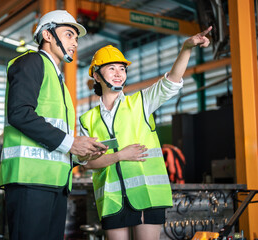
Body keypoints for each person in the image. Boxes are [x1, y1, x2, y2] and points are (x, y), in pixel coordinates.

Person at [79, 27, 212, 240]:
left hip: (148, 196)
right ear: (96, 75)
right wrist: (119, 156)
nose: (118, 73)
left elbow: (170, 82)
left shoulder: (141, 102)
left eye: (122, 69)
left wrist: (186, 49)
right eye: (111, 68)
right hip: (112, 200)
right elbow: (86, 163)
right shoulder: (88, 120)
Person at [0, 10, 107, 240]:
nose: (74, 43)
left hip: (54, 183)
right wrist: (71, 143)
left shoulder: (58, 80)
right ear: (47, 35)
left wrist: (81, 151)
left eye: (76, 38)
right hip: (30, 181)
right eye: (69, 34)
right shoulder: (31, 62)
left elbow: (57, 134)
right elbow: (19, 113)